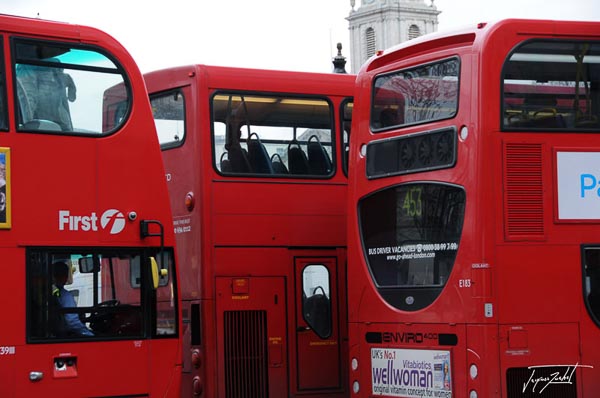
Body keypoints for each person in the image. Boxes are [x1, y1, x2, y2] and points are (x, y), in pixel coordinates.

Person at [52, 261, 94, 337]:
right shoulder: (65, 295)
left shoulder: (48, 292)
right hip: (66, 335)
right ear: (65, 276)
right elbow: (72, 321)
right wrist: (89, 335)